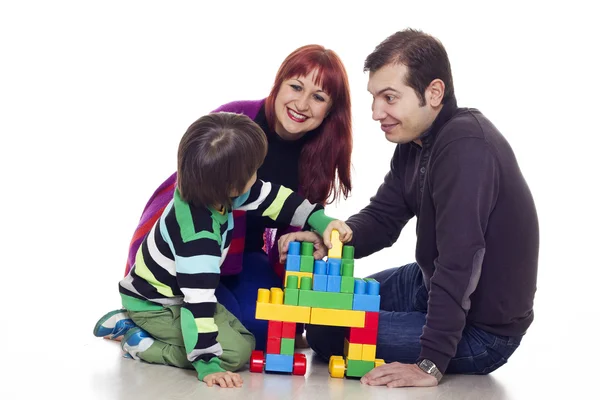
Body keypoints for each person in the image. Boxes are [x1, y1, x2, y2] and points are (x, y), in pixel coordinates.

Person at [278, 29, 539, 388]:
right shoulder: (415, 143)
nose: (375, 112)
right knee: (324, 313)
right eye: (374, 98)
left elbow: (460, 261)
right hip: (428, 284)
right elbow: (384, 217)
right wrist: (333, 239)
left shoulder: (466, 148)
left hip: (481, 329)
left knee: (327, 334)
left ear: (433, 93)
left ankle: (423, 337)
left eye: (389, 98)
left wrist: (429, 362)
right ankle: (406, 324)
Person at [95, 44, 353, 350]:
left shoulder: (319, 153)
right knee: (226, 337)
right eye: (296, 86)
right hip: (194, 247)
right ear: (279, 84)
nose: (302, 103)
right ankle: (141, 320)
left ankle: (174, 322)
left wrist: (311, 230)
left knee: (269, 331)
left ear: (330, 109)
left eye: (318, 97)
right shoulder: (237, 120)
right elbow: (196, 200)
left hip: (242, 256)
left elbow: (287, 206)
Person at [100, 112, 352, 388]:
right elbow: (198, 303)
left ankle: (137, 327)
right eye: (255, 170)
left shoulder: (207, 188)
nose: (257, 177)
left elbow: (272, 198)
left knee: (247, 339)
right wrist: (207, 364)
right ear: (231, 186)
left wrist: (319, 220)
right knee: (234, 355)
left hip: (181, 294)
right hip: (158, 305)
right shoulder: (199, 239)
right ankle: (141, 343)